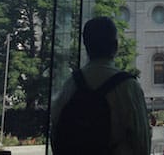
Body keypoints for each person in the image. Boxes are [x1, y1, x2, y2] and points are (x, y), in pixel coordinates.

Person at [50, 17, 151, 154]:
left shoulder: (70, 84)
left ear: (86, 45)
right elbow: (142, 143)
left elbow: (56, 135)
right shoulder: (128, 87)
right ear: (115, 46)